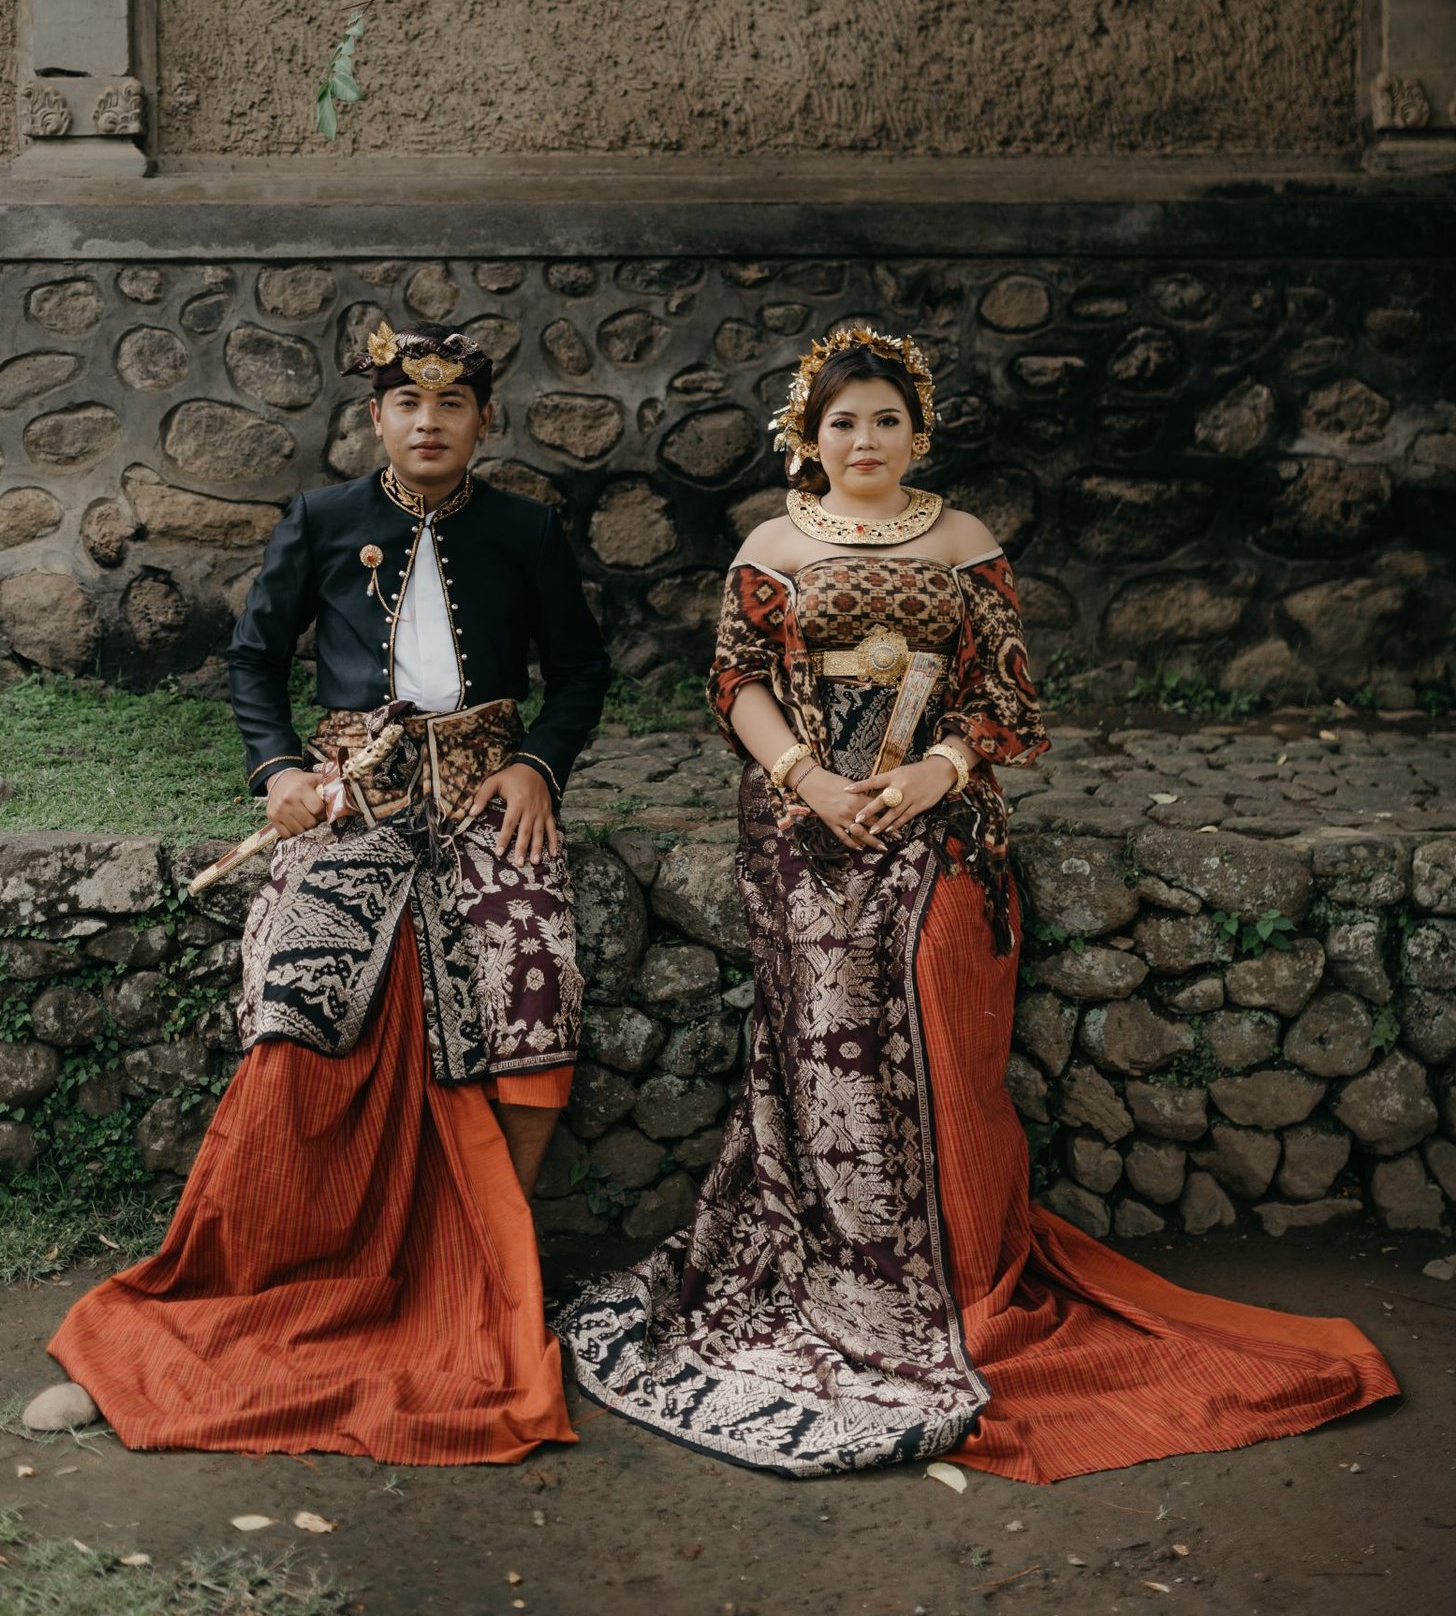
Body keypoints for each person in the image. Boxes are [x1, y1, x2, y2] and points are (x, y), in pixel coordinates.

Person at [556, 325, 1397, 1480]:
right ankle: (845, 1274)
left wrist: (932, 774)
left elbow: (1005, 700)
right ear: (807, 435)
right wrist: (810, 781)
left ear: (918, 434)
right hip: (800, 818)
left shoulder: (962, 541)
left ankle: (958, 1275)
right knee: (827, 1005)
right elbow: (735, 683)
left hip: (938, 815)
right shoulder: (770, 544)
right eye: (842, 422)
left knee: (942, 1008)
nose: (864, 439)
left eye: (885, 420)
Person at [25, 321, 610, 1465]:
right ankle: (275, 1259)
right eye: (407, 404)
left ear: (483, 419)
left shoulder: (525, 531)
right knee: (301, 986)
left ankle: (496, 1266)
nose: (429, 422)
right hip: (352, 793)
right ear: (376, 417)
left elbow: (580, 672)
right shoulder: (323, 519)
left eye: (451, 404)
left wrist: (539, 765)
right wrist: (281, 773)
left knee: (536, 977)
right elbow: (252, 660)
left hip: (488, 795)